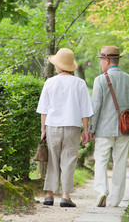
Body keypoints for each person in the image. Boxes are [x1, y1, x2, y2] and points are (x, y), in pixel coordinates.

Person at [36, 48, 93, 207]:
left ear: (60, 66)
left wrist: (43, 131)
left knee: (52, 159)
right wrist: (86, 131)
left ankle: (49, 195)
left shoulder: (50, 82)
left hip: (52, 125)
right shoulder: (80, 83)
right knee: (69, 160)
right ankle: (66, 196)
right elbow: (85, 110)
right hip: (72, 126)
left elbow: (43, 110)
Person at [88, 46, 129, 207]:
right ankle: (116, 199)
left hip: (104, 129)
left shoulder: (100, 80)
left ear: (108, 60)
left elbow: (95, 107)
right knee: (120, 163)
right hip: (125, 129)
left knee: (101, 161)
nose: (101, 63)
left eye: (102, 60)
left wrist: (90, 129)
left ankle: (102, 190)